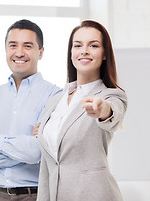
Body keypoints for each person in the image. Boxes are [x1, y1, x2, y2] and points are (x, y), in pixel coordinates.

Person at [0, 19, 61, 201]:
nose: (19, 53)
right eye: (13, 45)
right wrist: (24, 151)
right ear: (5, 50)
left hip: (34, 195)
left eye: (27, 46)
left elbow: (37, 152)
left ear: (40, 52)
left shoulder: (55, 96)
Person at [36, 20, 128, 201]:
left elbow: (112, 113)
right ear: (71, 53)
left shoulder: (111, 96)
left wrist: (103, 110)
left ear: (104, 54)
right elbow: (47, 167)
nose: (84, 50)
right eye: (78, 45)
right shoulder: (55, 101)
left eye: (93, 45)